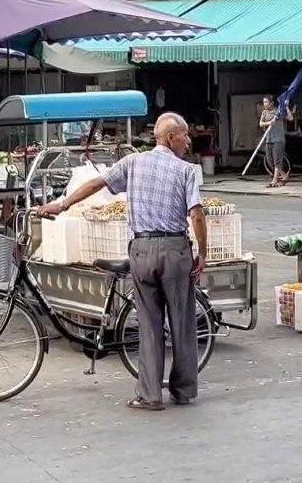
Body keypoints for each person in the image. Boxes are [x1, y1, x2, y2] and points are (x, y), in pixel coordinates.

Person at [40, 112, 207, 411]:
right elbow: (196, 214)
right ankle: (182, 391)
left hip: (142, 250)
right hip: (175, 250)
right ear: (170, 138)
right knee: (182, 323)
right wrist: (203, 254)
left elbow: (96, 184)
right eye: (184, 134)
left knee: (149, 325)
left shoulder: (133, 162)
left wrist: (62, 204)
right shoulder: (188, 170)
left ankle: (150, 396)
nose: (189, 140)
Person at [259, 95, 287, 187]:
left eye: (266, 102)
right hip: (268, 139)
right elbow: (261, 123)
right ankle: (283, 175)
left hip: (278, 139)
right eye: (264, 102)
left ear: (272, 103)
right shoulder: (264, 112)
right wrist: (268, 123)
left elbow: (290, 118)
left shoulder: (278, 112)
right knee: (269, 160)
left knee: (277, 160)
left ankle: (274, 180)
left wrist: (286, 107)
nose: (265, 104)